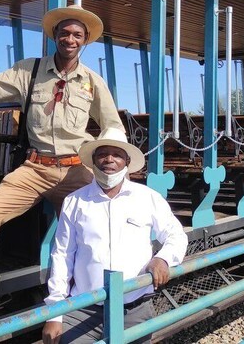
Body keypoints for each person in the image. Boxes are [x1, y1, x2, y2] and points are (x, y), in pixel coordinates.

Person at [0, 5, 124, 339]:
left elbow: (112, 126)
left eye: (77, 35)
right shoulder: (30, 72)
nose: (70, 38)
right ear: (55, 36)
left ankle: (98, 299)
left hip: (76, 170)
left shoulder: (92, 83)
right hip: (35, 168)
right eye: (64, 32)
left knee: (96, 229)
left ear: (85, 41)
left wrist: (110, 167)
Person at [42, 128, 188, 344]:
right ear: (93, 160)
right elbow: (62, 256)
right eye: (102, 154)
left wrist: (163, 258)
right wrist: (55, 313)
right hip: (83, 310)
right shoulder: (74, 202)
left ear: (127, 161)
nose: (109, 159)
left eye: (117, 154)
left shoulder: (147, 198)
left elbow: (176, 234)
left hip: (134, 308)